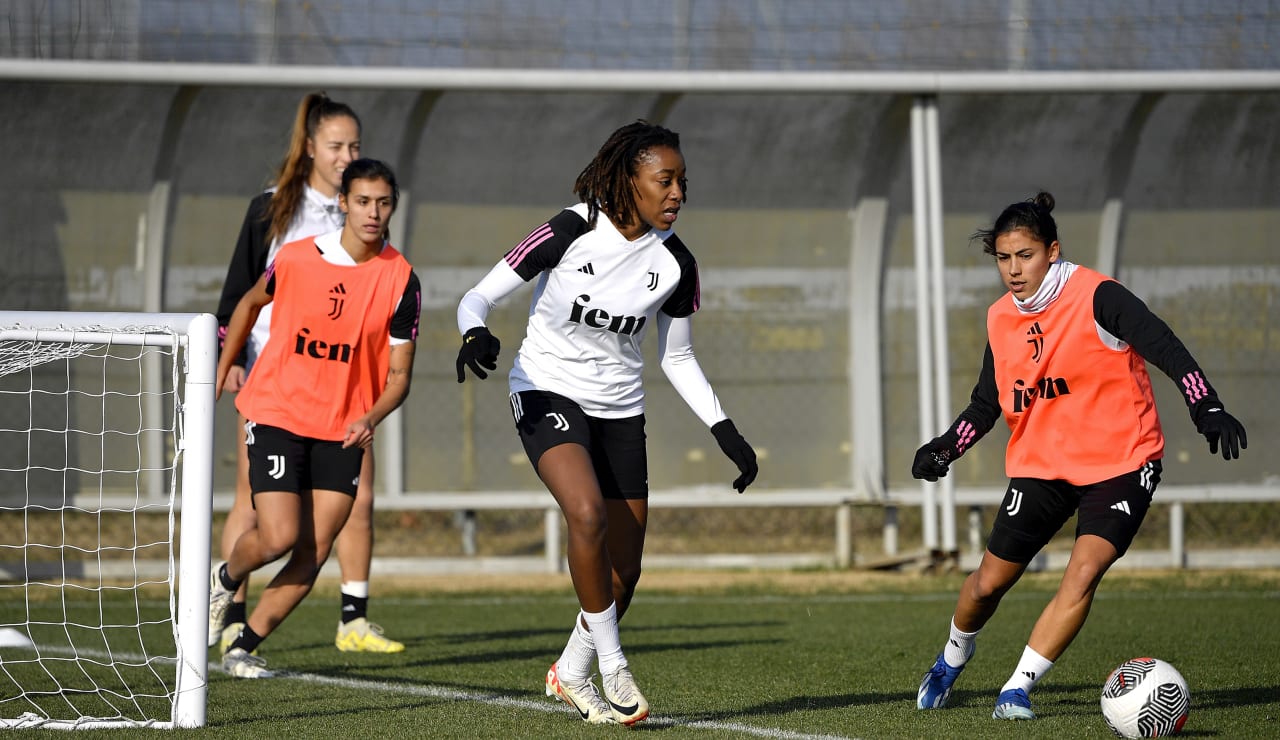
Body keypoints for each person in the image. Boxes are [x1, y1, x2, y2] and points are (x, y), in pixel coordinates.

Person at [454, 121, 758, 725]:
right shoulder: (571, 228)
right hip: (545, 390)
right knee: (586, 513)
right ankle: (613, 666)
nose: (677, 194)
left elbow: (677, 356)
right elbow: (477, 296)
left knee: (627, 570)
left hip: (620, 410)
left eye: (683, 182)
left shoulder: (676, 263)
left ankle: (569, 671)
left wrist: (726, 430)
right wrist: (474, 331)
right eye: (664, 180)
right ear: (629, 179)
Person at [912, 191, 1247, 720]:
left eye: (1025, 255)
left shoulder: (1098, 296)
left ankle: (1016, 690)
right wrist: (945, 448)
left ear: (1052, 250)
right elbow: (987, 402)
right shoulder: (1001, 319)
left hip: (1123, 461)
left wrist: (1206, 405)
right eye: (1004, 258)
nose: (1014, 269)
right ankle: (952, 657)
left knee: (1083, 571)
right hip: (1043, 466)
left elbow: (1166, 346)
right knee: (988, 583)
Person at [211, 158, 421, 678]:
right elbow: (246, 304)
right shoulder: (298, 258)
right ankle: (222, 582)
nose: (374, 212)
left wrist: (370, 415)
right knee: (278, 535)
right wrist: (222, 366)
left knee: (314, 551)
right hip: (278, 410)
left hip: (342, 430)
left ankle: (244, 648)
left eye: (384, 202)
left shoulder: (401, 280)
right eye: (364, 201)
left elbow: (399, 377)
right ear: (344, 204)